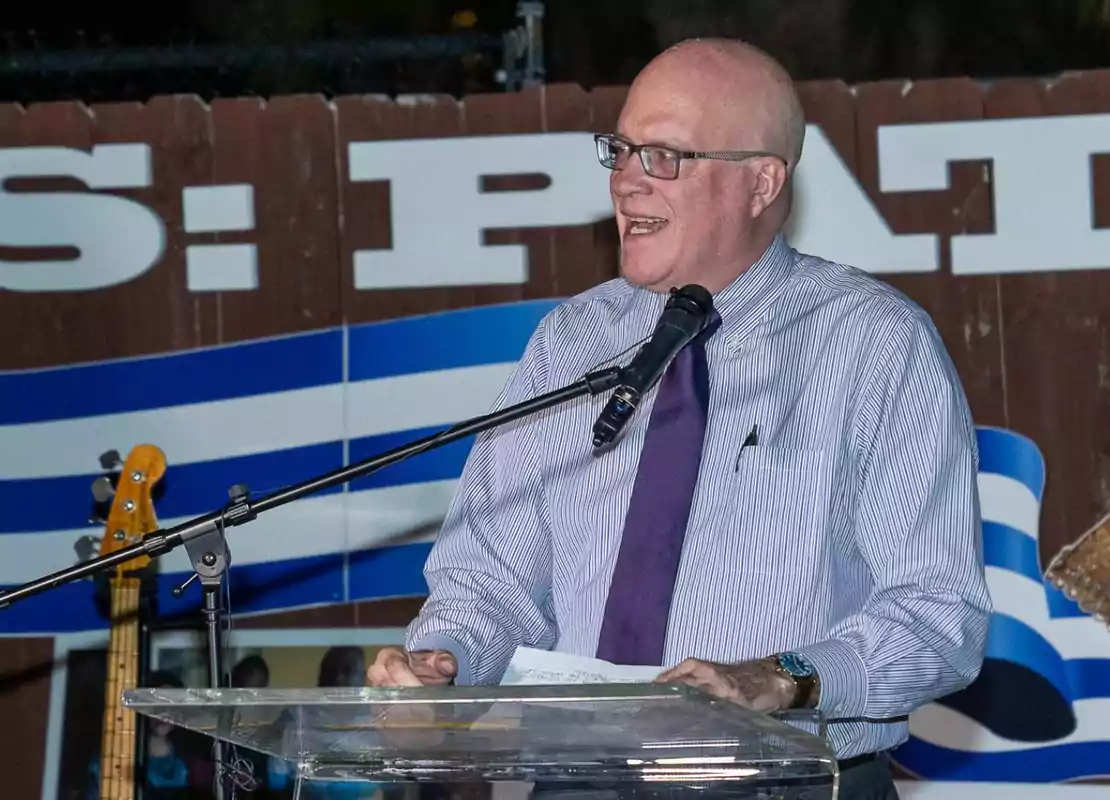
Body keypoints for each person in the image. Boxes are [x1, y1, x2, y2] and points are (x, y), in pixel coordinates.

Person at [368, 37, 991, 799]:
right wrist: (445, 662)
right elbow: (488, 580)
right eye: (621, 152)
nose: (627, 182)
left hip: (787, 779)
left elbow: (938, 616)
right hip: (581, 780)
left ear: (762, 181)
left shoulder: (874, 344)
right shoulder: (573, 341)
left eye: (664, 156)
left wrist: (780, 678)